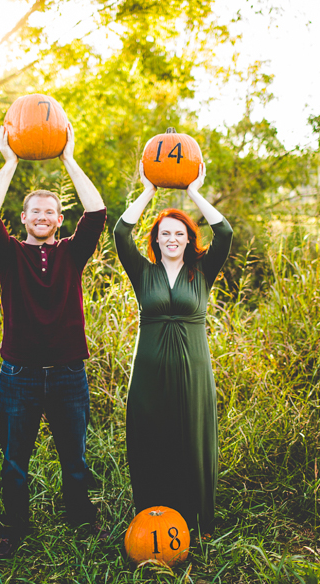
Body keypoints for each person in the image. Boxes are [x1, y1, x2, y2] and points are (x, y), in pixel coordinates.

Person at [0, 124, 107, 556]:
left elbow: (98, 212)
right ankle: (15, 527)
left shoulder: (72, 252)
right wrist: (10, 161)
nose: (43, 217)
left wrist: (68, 158)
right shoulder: (9, 254)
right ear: (25, 219)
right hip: (20, 374)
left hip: (69, 372)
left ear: (59, 219)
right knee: (15, 461)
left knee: (75, 459)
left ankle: (80, 519)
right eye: (36, 212)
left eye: (50, 212)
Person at [115, 162, 230, 535]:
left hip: (194, 370)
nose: (172, 239)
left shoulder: (202, 271)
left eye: (179, 233)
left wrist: (193, 191)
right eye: (165, 233)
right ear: (157, 239)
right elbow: (120, 231)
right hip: (148, 373)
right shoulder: (143, 272)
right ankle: (152, 518)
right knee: (151, 438)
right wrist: (148, 189)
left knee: (191, 438)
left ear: (188, 237)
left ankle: (196, 519)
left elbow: (224, 232)